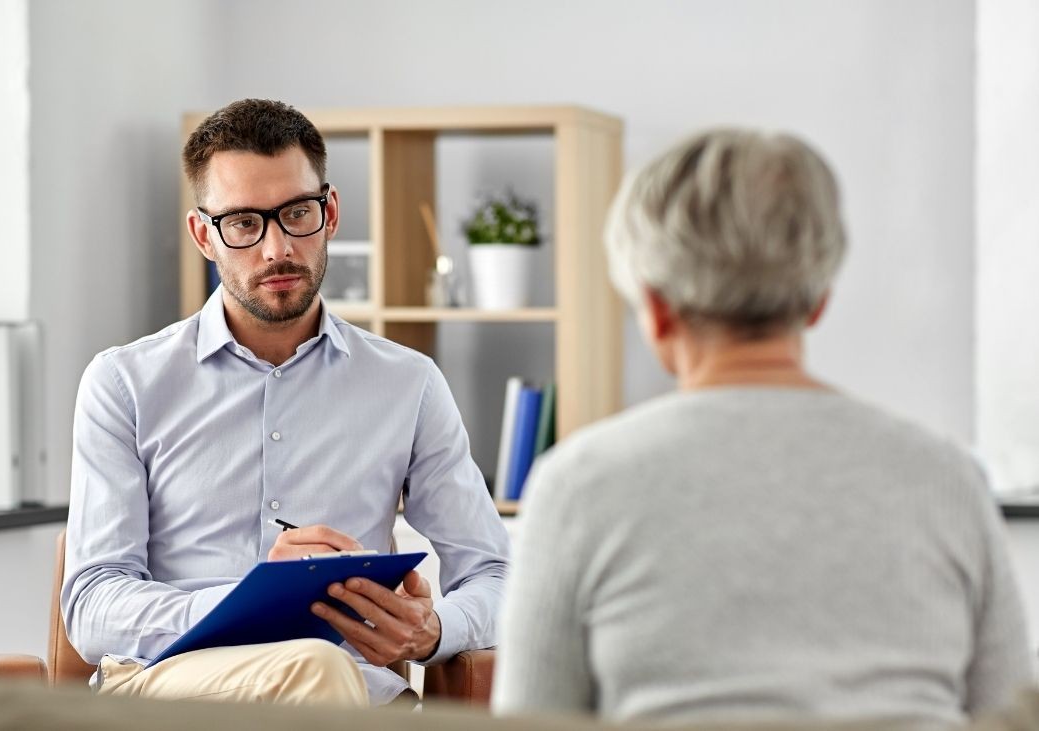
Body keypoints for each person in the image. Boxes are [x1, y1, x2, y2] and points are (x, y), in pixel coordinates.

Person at [492, 129, 1034, 724]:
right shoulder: (947, 477)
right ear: (819, 298)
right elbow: (1009, 714)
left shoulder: (577, 485)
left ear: (656, 307)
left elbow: (531, 721)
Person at [61, 98, 509, 708]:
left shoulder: (410, 384)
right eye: (244, 222)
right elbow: (90, 606)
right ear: (203, 234)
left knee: (323, 672)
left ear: (329, 213)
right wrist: (257, 598)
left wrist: (433, 630)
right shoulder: (123, 383)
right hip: (173, 695)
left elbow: (496, 575)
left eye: (296, 213)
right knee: (315, 668)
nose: (276, 249)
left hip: (358, 697)